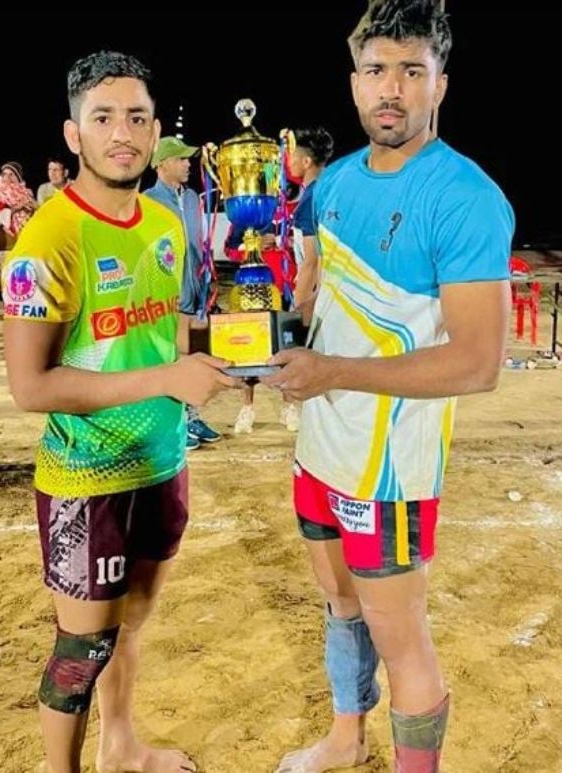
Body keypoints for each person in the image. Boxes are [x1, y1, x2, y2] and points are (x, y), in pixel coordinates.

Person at [262, 2, 513, 771]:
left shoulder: (465, 197)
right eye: (376, 71)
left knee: (401, 638)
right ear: (353, 83)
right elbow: (314, 296)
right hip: (319, 443)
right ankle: (345, 737)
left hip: (390, 468)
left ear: (441, 84)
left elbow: (477, 361)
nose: (391, 89)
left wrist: (329, 371)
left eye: (412, 71)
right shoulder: (331, 184)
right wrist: (277, 335)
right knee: (340, 604)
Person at [1, 50, 239, 773]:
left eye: (136, 117)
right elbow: (30, 386)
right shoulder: (46, 237)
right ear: (74, 135)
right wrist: (169, 373)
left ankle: (122, 745)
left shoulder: (163, 227)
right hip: (86, 477)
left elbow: (162, 335)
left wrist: (243, 349)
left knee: (131, 623)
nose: (122, 132)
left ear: (156, 128)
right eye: (102, 117)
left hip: (162, 461)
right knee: (80, 652)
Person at [144, 136, 221, 450]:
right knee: (171, 358)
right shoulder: (147, 201)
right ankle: (174, 425)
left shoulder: (192, 197)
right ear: (162, 164)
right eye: (181, 159)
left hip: (196, 290)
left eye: (188, 159)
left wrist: (209, 275)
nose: (188, 164)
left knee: (194, 355)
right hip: (168, 294)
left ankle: (192, 417)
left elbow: (200, 241)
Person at [225, 225, 299, 434]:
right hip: (249, 292)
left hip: (283, 290)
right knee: (248, 355)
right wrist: (252, 245)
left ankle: (289, 408)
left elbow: (306, 245)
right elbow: (229, 250)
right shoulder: (246, 218)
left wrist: (280, 240)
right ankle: (247, 410)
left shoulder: (292, 210)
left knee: (285, 355)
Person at [286, 127, 334, 308]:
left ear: (306, 161)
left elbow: (311, 262)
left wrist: (298, 313)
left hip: (316, 299)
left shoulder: (311, 198)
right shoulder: (329, 189)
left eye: (292, 156)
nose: (288, 162)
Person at [0, 161, 36, 296]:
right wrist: (16, 208)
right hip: (4, 237)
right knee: (7, 272)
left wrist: (32, 207)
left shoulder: (26, 193)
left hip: (25, 236)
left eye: (12, 175)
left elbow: (34, 212)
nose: (7, 178)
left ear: (18, 177)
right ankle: (8, 304)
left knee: (22, 272)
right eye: (4, 174)